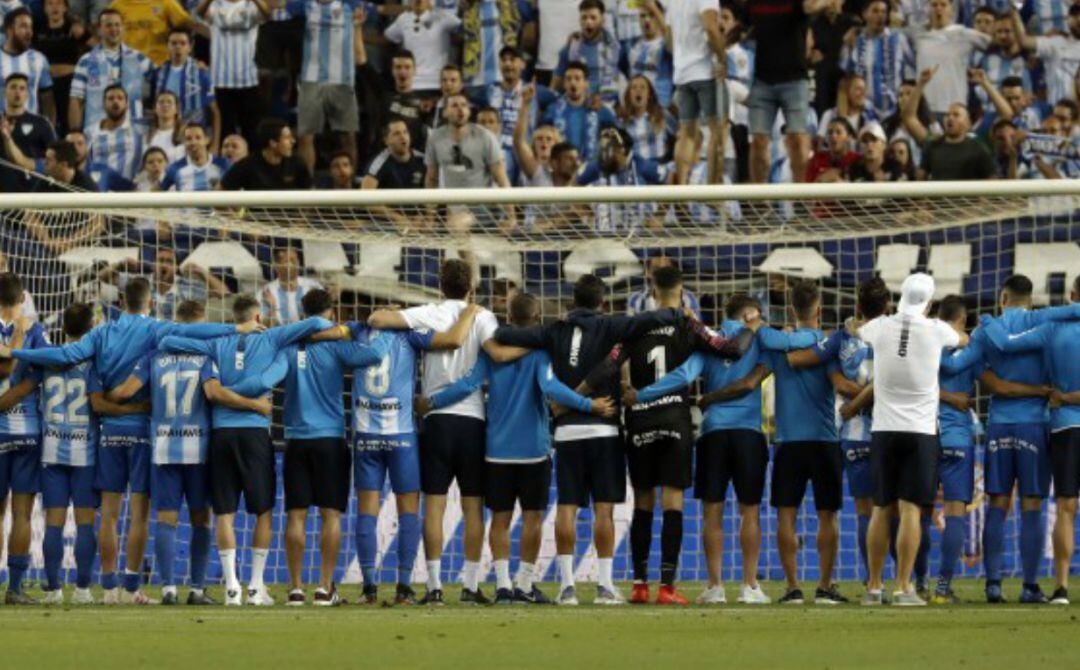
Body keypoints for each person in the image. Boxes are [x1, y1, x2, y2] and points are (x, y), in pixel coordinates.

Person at [0, 277, 247, 605]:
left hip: (105, 436)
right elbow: (191, 332)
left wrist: (13, 350)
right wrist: (235, 329)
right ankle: (131, 588)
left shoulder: (101, 333)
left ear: (121, 302)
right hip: (144, 433)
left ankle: (104, 586)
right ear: (150, 303)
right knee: (140, 515)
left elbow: (68, 353)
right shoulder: (155, 329)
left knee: (107, 516)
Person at [491, 273, 691, 606]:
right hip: (604, 428)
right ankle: (604, 586)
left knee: (567, 507)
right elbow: (651, 317)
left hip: (567, 431)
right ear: (600, 301)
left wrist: (495, 331)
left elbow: (506, 332)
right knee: (604, 510)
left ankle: (567, 587)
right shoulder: (611, 326)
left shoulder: (553, 330)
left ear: (573, 301)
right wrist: (677, 313)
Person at [422, 292, 611, 606]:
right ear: (537, 320)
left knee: (500, 519)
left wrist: (432, 402)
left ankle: (503, 584)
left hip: (496, 450)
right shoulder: (539, 354)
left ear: (509, 319)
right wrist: (588, 404)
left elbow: (466, 385)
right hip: (533, 451)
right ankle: (524, 582)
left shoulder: (492, 354)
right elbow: (552, 388)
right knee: (533, 517)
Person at [155, 294, 338, 606]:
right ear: (258, 317)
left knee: (224, 513)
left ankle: (231, 588)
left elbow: (168, 339)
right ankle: (255, 587)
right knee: (262, 511)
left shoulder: (218, 341)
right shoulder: (271, 337)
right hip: (254, 433)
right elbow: (320, 322)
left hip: (220, 435)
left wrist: (227, 386)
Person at [366, 258, 522, 605]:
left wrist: (389, 311)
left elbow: (375, 319)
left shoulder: (429, 312)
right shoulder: (483, 316)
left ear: (441, 285)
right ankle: (469, 586)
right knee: (472, 508)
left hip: (435, 421)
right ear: (471, 287)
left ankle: (434, 586)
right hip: (472, 421)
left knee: (434, 506)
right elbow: (495, 355)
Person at [228, 289, 389, 606]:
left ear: (303, 313)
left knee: (296, 515)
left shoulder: (287, 349)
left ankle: (296, 588)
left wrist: (234, 390)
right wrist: (379, 327)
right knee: (331, 515)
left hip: (296, 442)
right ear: (329, 313)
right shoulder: (337, 347)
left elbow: (265, 380)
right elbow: (374, 355)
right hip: (330, 440)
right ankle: (324, 587)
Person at [106, 300, 267, 606]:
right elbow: (213, 392)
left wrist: (106, 399)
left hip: (164, 447)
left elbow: (125, 391)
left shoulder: (153, 355)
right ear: (200, 324)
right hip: (200, 448)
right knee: (201, 520)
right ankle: (196, 588)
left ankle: (168, 589)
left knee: (166, 519)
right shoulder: (207, 355)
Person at [617, 266, 755, 606]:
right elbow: (729, 348)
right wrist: (751, 326)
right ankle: (666, 587)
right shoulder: (691, 327)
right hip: (674, 420)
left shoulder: (634, 327)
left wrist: (625, 390)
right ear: (683, 289)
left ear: (651, 288)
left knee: (644, 503)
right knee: (673, 503)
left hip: (640, 420)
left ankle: (638, 584)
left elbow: (616, 366)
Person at [350, 300, 479, 605]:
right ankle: (404, 587)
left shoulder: (356, 331)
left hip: (365, 435)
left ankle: (369, 589)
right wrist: (470, 311)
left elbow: (327, 333)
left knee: (367, 509)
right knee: (408, 510)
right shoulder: (409, 334)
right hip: (402, 436)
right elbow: (451, 340)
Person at [857, 273, 964, 606]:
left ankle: (874, 587)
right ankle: (904, 588)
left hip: (884, 430)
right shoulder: (937, 330)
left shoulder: (880, 327)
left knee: (879, 510)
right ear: (930, 303)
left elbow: (858, 329)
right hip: (920, 433)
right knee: (910, 512)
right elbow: (963, 340)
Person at [974, 274, 1080, 604]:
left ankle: (994, 583)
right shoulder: (1045, 326)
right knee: (1033, 503)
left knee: (1000, 503)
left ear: (1003, 297)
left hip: (1004, 425)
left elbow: (982, 365)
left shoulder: (999, 331)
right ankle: (1030, 585)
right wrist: (1042, 390)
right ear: (1031, 299)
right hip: (1035, 424)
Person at [758, 279, 847, 605]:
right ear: (819, 308)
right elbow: (840, 384)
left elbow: (756, 376)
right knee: (828, 516)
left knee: (786, 515)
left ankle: (792, 587)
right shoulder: (828, 345)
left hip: (788, 441)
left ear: (792, 309)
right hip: (824, 439)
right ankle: (825, 586)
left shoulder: (780, 347)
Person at [0, 303, 95, 605]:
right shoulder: (93, 360)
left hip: (51, 449)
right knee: (82, 522)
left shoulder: (47, 358)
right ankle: (80, 590)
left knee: (52, 521)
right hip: (81, 450)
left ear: (63, 327)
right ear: (91, 328)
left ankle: (53, 589)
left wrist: (14, 350)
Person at [0, 273, 49, 604]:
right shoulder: (33, 330)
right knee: (21, 513)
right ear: (21, 299)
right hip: (27, 432)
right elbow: (44, 370)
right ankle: (15, 588)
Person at [746, 0, 829, 184]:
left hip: (795, 81)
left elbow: (811, 6)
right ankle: (760, 202)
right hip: (762, 80)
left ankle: (800, 198)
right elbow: (743, 26)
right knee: (758, 141)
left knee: (798, 140)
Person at [291, 0, 362, 172]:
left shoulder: (351, 3)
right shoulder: (303, 4)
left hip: (342, 79)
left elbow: (365, 16)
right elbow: (275, 7)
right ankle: (306, 188)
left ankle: (350, 187)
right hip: (311, 78)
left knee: (348, 137)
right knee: (305, 137)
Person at [664, 0, 724, 185]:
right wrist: (723, 59)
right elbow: (711, 28)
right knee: (718, 132)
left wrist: (683, 57)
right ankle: (714, 191)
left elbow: (668, 40)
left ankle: (681, 190)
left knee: (687, 133)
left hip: (682, 73)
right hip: (705, 72)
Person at [197, 0, 270, 146]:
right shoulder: (215, 5)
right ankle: (227, 167)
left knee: (251, 132)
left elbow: (267, 14)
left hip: (248, 80)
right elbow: (200, 13)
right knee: (225, 132)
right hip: (220, 80)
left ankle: (249, 167)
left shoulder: (251, 5)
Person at [902, 67, 994, 180]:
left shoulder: (978, 147)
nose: (950, 118)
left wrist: (985, 83)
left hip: (968, 198)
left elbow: (992, 180)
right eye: (947, 115)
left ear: (968, 123)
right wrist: (921, 83)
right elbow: (909, 118)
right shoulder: (933, 144)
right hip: (939, 198)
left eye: (956, 115)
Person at [68, 8, 151, 131]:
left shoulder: (139, 59)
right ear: (99, 30)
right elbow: (76, 100)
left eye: (117, 25)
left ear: (123, 28)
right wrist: (75, 132)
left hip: (132, 132)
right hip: (96, 132)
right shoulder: (86, 61)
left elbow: (160, 85)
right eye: (108, 25)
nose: (114, 29)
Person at [906, 0, 989, 117]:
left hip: (955, 108)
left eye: (943, 5)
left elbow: (995, 43)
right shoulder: (917, 35)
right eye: (934, 5)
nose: (938, 8)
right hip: (924, 108)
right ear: (928, 10)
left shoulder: (964, 34)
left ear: (952, 10)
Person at [840, 0, 914, 118]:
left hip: (896, 111)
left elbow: (914, 69)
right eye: (875, 11)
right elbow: (846, 73)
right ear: (865, 14)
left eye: (883, 12)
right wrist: (847, 46)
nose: (880, 16)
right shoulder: (856, 41)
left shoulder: (899, 40)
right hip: (865, 111)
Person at [541, 61, 617, 165]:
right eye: (568, 79)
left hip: (590, 169)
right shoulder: (553, 111)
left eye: (577, 78)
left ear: (586, 83)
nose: (573, 82)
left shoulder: (600, 110)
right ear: (564, 84)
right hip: (561, 168)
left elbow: (615, 138)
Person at [33, 0, 89, 136]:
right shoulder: (37, 29)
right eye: (50, 4)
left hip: (70, 85)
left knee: (69, 128)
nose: (54, 7)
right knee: (46, 127)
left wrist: (84, 34)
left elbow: (99, 47)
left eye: (58, 3)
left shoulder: (74, 28)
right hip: (45, 87)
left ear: (65, 7)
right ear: (44, 8)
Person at [384, 0, 461, 95]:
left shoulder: (441, 17)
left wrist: (437, 10)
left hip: (438, 83)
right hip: (412, 83)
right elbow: (389, 36)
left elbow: (461, 27)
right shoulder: (403, 18)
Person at [552, 0, 621, 105]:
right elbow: (556, 84)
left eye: (593, 18)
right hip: (577, 108)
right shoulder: (571, 48)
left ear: (602, 20)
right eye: (584, 17)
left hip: (607, 106)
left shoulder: (615, 48)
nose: (588, 22)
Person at [1013, 6, 1080, 110]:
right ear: (1067, 19)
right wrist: (1014, 11)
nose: (1079, 19)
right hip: (1056, 110)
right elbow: (1024, 41)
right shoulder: (1056, 42)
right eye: (1075, 15)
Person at [220, 117, 312, 190]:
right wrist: (232, 213)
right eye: (287, 138)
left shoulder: (297, 163)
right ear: (273, 143)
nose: (293, 141)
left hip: (290, 214)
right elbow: (220, 193)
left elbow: (310, 196)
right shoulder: (247, 165)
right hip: (257, 214)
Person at [1, 72, 56, 193]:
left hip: (32, 192)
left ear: (27, 94)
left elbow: (54, 156)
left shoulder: (41, 124)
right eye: (13, 87)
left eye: (22, 88)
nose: (17, 92)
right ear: (5, 92)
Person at [0, 7, 56, 121]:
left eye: (30, 27)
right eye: (23, 26)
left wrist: (50, 132)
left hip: (31, 132)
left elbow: (48, 101)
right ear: (10, 29)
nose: (29, 32)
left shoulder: (39, 59)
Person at [108, 0, 197, 66]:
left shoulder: (167, 3)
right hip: (129, 68)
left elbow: (187, 28)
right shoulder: (117, 5)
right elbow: (105, 36)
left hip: (159, 66)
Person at [85, 83, 143, 180]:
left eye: (120, 98)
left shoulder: (138, 130)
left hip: (128, 190)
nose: (115, 101)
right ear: (103, 104)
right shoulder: (90, 132)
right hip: (99, 190)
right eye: (111, 98)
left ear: (127, 104)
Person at [618, 74, 676, 164]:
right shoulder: (622, 122)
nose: (638, 91)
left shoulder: (662, 115)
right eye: (634, 88)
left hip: (660, 164)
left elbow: (680, 135)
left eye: (643, 87)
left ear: (649, 94)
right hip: (636, 167)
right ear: (629, 95)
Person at [624, 0, 672, 108]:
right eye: (642, 16)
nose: (647, 20)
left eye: (651, 15)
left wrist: (654, 8)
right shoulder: (631, 45)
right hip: (637, 109)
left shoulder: (666, 45)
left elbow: (671, 42)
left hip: (659, 108)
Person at [259, 246, 323, 326]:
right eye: (286, 261)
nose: (291, 263)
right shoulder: (266, 292)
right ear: (276, 265)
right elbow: (262, 327)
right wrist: (273, 308)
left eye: (294, 259)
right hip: (279, 337)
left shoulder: (313, 286)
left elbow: (325, 318)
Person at [161, 123, 229, 191]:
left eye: (198, 138)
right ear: (183, 142)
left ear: (207, 140)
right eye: (188, 139)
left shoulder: (222, 164)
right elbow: (157, 190)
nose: (193, 142)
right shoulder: (175, 168)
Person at [363, 118, 425, 190]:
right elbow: (365, 195)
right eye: (397, 134)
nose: (403, 137)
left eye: (405, 132)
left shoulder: (422, 159)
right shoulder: (378, 164)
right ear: (386, 140)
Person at [627, 256, 700, 317]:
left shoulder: (689, 298)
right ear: (647, 272)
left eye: (667, 269)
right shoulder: (635, 299)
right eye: (656, 269)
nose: (662, 273)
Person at [806, 117, 859, 183]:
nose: (833, 136)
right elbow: (807, 188)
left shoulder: (857, 160)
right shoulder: (817, 159)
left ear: (849, 137)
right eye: (830, 132)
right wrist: (822, 179)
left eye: (838, 132)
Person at [144, 91, 184, 163]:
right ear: (155, 109)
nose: (165, 105)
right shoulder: (146, 136)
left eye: (169, 102)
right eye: (161, 102)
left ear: (176, 109)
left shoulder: (185, 134)